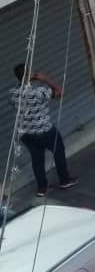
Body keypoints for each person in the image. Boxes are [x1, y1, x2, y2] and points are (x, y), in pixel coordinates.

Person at [9, 63, 77, 196]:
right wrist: (45, 79)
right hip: (45, 131)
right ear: (29, 75)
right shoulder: (39, 91)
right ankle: (65, 180)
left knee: (37, 159)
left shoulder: (13, 93)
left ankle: (42, 188)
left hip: (26, 134)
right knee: (58, 151)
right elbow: (59, 92)